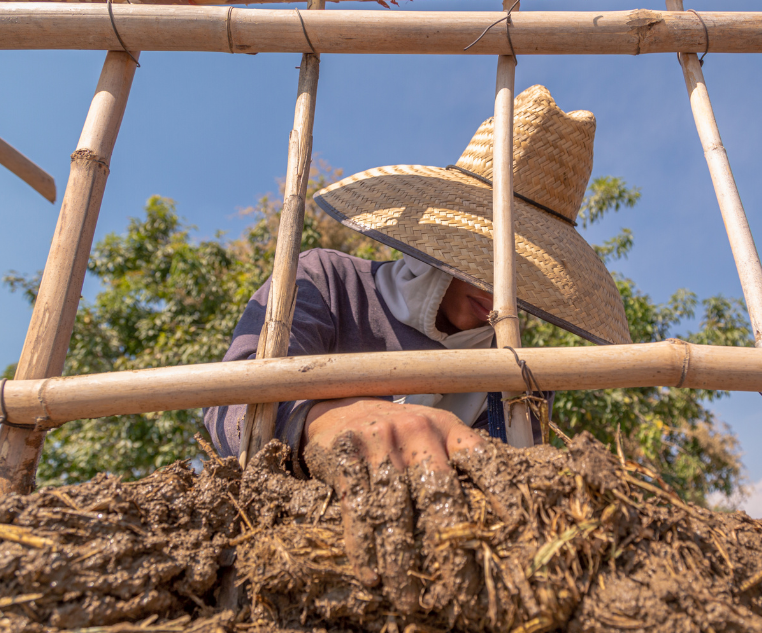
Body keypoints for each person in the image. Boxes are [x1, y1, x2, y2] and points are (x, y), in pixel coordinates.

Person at [204, 85, 630, 614]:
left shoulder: (519, 378)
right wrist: (326, 418)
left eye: (522, 273)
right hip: (294, 575)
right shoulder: (328, 282)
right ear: (443, 237)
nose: (500, 291)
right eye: (485, 256)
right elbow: (229, 400)